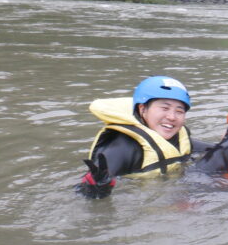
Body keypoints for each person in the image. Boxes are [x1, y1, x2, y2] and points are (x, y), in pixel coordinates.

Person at [76, 75, 210, 198]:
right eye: (164, 108)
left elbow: (215, 150)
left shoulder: (179, 138)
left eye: (179, 111)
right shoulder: (123, 145)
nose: (172, 117)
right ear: (142, 109)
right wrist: (96, 187)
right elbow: (84, 190)